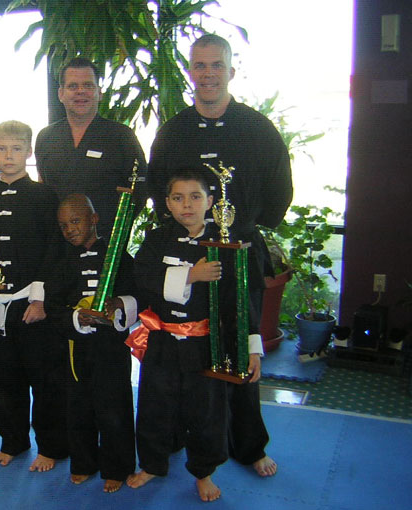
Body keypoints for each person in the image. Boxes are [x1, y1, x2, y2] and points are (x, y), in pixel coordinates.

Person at [146, 33, 293, 477]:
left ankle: (249, 446)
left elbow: (279, 193)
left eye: (216, 65)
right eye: (200, 65)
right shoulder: (173, 131)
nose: (207, 73)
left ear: (231, 70)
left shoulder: (257, 128)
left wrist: (240, 231)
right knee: (183, 351)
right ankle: (177, 437)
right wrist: (186, 236)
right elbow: (157, 190)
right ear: (190, 71)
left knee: (240, 347)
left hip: (239, 251)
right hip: (186, 254)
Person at [126, 173, 263, 502]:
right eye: (178, 198)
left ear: (211, 202)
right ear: (167, 203)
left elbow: (239, 299)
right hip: (161, 339)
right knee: (154, 406)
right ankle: (152, 464)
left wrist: (251, 348)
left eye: (195, 197)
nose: (186, 205)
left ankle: (204, 471)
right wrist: (190, 275)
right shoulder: (156, 238)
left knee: (206, 412)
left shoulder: (225, 244)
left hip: (205, 344)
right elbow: (141, 278)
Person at [0, 120, 68, 472]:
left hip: (31, 303)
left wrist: (40, 299)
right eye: (1, 148)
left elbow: (55, 249)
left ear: (28, 152)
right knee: (3, 379)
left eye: (16, 148)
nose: (8, 155)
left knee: (44, 380)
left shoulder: (44, 196)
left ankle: (51, 446)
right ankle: (13, 441)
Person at [47, 194, 137, 493]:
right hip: (75, 348)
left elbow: (138, 294)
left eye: (75, 221)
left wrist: (120, 305)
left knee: (114, 407)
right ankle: (83, 462)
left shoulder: (118, 257)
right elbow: (53, 306)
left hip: (111, 348)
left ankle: (117, 467)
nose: (70, 229)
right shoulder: (62, 263)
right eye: (63, 225)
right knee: (78, 406)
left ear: (94, 219)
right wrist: (75, 318)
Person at [35, 57, 148, 239]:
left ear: (99, 93)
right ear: (61, 94)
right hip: (57, 245)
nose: (81, 92)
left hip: (105, 244)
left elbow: (139, 192)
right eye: (73, 86)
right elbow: (43, 190)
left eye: (88, 85)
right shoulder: (46, 138)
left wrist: (116, 236)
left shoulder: (121, 137)